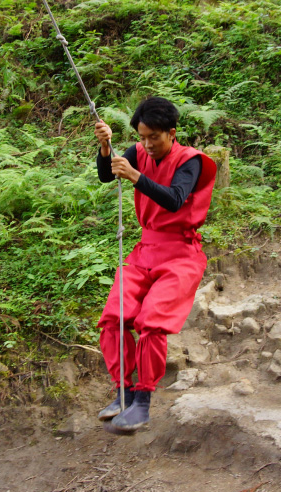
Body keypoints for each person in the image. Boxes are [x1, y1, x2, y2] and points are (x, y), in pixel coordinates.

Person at [93, 96, 217, 431]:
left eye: (154, 138)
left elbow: (175, 200)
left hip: (180, 254)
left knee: (151, 322)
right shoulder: (138, 151)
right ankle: (124, 392)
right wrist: (106, 149)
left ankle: (143, 402)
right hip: (145, 249)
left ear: (171, 133)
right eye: (143, 137)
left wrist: (135, 176)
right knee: (114, 318)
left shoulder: (190, 161)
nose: (147, 145)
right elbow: (106, 176)